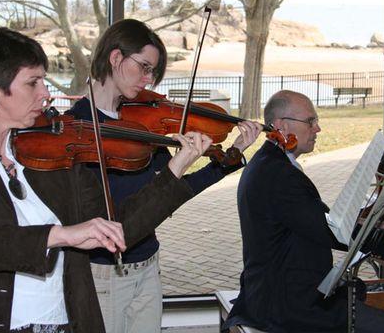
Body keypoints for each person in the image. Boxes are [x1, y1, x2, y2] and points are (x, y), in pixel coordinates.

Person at [0, 27, 213, 333]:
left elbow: (119, 224)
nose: (45, 93)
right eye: (33, 82)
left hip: (64, 323)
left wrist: (175, 169)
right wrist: (60, 235)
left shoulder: (53, 148)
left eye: (44, 81)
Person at [66, 18, 262, 333]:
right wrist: (176, 167)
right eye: (144, 67)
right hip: (101, 277)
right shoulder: (77, 131)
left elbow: (170, 191)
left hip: (147, 269)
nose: (149, 79)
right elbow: (105, 221)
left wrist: (231, 155)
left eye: (153, 72)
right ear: (115, 58)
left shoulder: (144, 125)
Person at [224, 90, 384, 333]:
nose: (318, 129)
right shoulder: (278, 175)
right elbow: (332, 231)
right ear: (280, 126)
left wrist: (380, 226)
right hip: (285, 304)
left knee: (358, 298)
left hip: (278, 289)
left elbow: (318, 218)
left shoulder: (270, 163)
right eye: (310, 121)